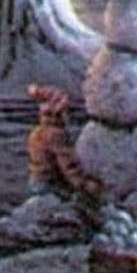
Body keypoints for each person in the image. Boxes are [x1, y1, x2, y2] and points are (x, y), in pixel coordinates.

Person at [25, 84, 103, 214]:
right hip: (51, 186)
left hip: (35, 182)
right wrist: (84, 185)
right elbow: (68, 165)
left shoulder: (37, 132)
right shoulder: (56, 135)